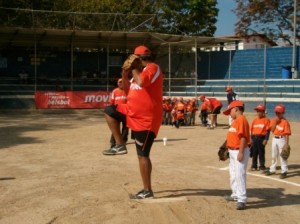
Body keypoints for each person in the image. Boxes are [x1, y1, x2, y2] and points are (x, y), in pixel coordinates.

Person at [107, 45, 163, 199]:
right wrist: (124, 75)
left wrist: (133, 69)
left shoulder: (153, 67)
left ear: (139, 59)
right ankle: (119, 144)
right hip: (132, 113)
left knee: (142, 155)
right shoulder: (137, 73)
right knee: (110, 110)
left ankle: (147, 190)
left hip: (146, 120)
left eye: (134, 58)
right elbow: (127, 90)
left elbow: (142, 83)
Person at [222, 100, 250, 210]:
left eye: (230, 111)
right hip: (232, 151)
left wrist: (241, 152)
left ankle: (242, 199)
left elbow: (243, 137)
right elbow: (233, 136)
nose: (229, 113)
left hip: (239, 150)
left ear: (236, 109)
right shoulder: (236, 121)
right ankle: (235, 194)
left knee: (240, 174)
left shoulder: (241, 120)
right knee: (233, 173)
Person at [265, 104, 291, 179]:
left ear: (283, 113)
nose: (277, 114)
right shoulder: (273, 120)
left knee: (283, 155)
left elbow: (287, 134)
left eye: (279, 112)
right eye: (276, 112)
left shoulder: (285, 122)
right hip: (274, 138)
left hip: (282, 139)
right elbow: (272, 130)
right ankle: (272, 169)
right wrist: (275, 122)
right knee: (274, 155)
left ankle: (284, 171)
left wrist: (286, 144)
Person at [108, 78, 129, 150]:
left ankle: (123, 140)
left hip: (126, 111)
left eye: (122, 82)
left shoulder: (128, 91)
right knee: (115, 127)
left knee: (126, 127)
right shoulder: (115, 91)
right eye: (119, 82)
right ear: (117, 83)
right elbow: (111, 102)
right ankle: (113, 142)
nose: (121, 83)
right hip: (117, 111)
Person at [250, 104, 270, 171]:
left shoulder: (266, 120)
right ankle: (254, 165)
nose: (258, 113)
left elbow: (268, 131)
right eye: (257, 111)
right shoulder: (255, 120)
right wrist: (251, 138)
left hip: (261, 138)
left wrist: (266, 139)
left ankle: (262, 166)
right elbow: (252, 130)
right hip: (254, 138)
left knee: (261, 152)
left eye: (260, 111)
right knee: (254, 152)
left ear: (263, 112)